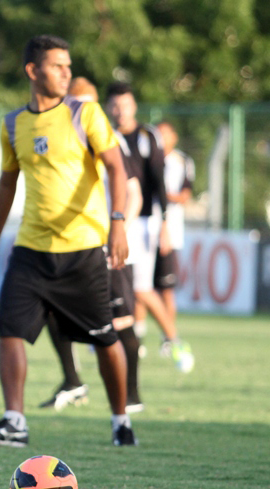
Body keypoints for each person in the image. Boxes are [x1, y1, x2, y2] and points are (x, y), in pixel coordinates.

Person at [0, 36, 137, 448]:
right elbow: (7, 183)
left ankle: (121, 422)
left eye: (68, 65)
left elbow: (117, 169)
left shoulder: (86, 113)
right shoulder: (13, 124)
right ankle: (15, 422)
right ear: (33, 71)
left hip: (82, 251)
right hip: (30, 250)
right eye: (57, 66)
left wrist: (118, 223)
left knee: (104, 338)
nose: (67, 72)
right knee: (9, 328)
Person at [39, 77, 146, 414]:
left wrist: (118, 232)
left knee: (118, 321)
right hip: (71, 246)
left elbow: (135, 193)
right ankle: (72, 380)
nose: (77, 110)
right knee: (51, 310)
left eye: (84, 104)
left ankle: (131, 398)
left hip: (105, 246)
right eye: (74, 103)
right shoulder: (63, 135)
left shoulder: (108, 138)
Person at [105, 83, 194, 373]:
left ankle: (174, 339)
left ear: (134, 106)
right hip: (114, 219)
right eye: (115, 106)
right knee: (120, 283)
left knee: (142, 287)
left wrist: (165, 223)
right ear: (109, 108)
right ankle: (132, 341)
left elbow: (158, 182)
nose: (121, 111)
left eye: (126, 105)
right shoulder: (104, 135)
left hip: (143, 220)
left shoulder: (147, 136)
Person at [154, 121, 194, 329]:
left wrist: (161, 195)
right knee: (139, 287)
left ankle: (169, 337)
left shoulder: (182, 161)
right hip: (145, 230)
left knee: (166, 288)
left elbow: (185, 196)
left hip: (170, 232)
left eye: (165, 134)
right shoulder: (147, 158)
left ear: (174, 136)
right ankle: (138, 337)